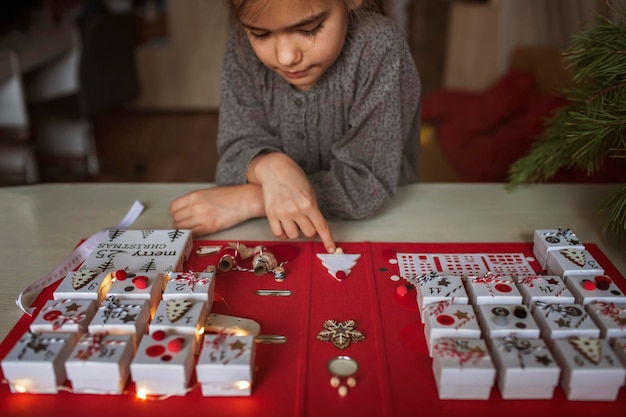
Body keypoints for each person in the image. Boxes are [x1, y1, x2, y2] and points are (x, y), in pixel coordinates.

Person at [170, 0, 421, 254]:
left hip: (387, 223)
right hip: (279, 235)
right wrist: (268, 166)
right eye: (260, 34)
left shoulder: (380, 47)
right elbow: (236, 147)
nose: (286, 57)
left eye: (309, 28)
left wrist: (254, 200)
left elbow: (369, 182)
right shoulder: (242, 49)